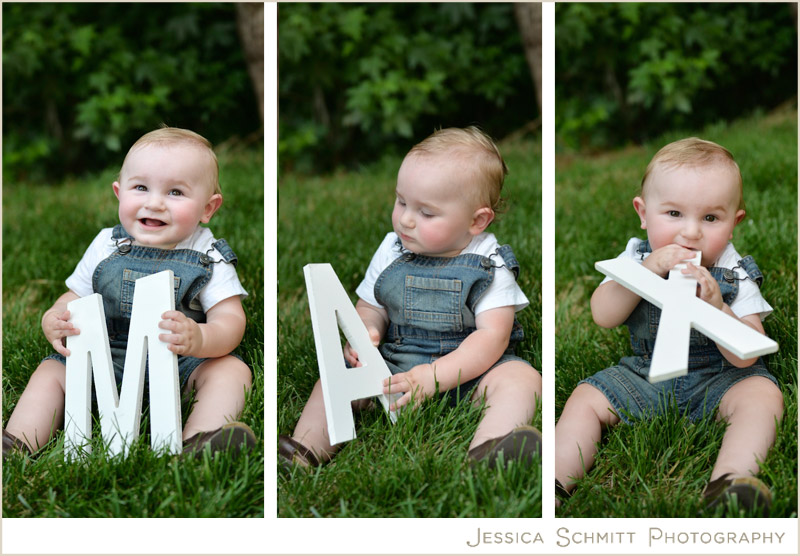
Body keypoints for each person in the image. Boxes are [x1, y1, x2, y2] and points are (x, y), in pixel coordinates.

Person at [279, 126, 542, 469]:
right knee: (335, 377)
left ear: (477, 221)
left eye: (426, 212)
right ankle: (306, 448)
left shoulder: (490, 265)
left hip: (469, 377)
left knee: (523, 380)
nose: (405, 219)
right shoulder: (391, 250)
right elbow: (370, 306)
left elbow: (493, 336)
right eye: (401, 201)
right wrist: (367, 332)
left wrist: (435, 376)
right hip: (392, 372)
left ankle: (489, 450)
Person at [555, 138, 784, 514]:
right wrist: (646, 273)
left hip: (720, 377)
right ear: (643, 213)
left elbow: (749, 352)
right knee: (586, 398)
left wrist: (717, 305)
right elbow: (604, 314)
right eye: (674, 214)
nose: (690, 232)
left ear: (733, 223)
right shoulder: (636, 257)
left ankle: (729, 482)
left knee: (762, 395)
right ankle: (557, 479)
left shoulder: (735, 272)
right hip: (645, 376)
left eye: (710, 218)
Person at [3, 127, 255, 458]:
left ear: (208, 208)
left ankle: (200, 440)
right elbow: (72, 296)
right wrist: (55, 317)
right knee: (51, 372)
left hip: (181, 362)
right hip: (106, 358)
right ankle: (17, 442)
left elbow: (231, 319)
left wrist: (202, 338)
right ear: (119, 193)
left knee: (232, 371)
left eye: (176, 192)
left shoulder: (209, 255)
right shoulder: (107, 244)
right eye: (140, 188)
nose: (154, 202)